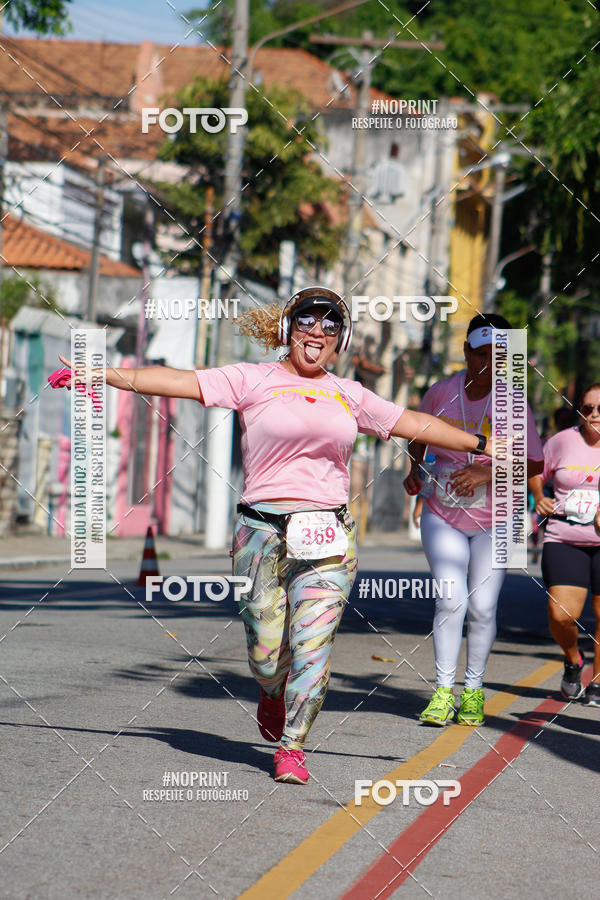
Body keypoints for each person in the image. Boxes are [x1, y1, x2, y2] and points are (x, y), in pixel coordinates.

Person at [53, 288, 499, 783]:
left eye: (331, 326)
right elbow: (177, 380)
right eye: (308, 320)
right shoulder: (251, 378)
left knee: (314, 646)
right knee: (268, 654)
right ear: (289, 329)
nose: (318, 331)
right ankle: (270, 692)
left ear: (340, 341)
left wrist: (484, 444)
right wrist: (105, 375)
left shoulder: (349, 393)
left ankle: (293, 747)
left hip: (328, 536)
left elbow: (414, 422)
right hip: (260, 533)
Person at [404, 314, 544, 727]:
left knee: (482, 607)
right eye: (479, 354)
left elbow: (534, 461)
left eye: (496, 356)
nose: (486, 363)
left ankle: (474, 690)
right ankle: (443, 691)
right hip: (443, 512)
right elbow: (416, 430)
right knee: (450, 599)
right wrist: (413, 469)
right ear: (466, 351)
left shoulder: (515, 402)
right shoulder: (442, 392)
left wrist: (487, 472)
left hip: (498, 518)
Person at [529, 383, 600, 707]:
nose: (594, 414)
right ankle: (574, 659)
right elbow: (534, 468)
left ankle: (597, 682)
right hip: (564, 537)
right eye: (587, 408)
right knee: (560, 615)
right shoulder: (561, 441)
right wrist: (540, 496)